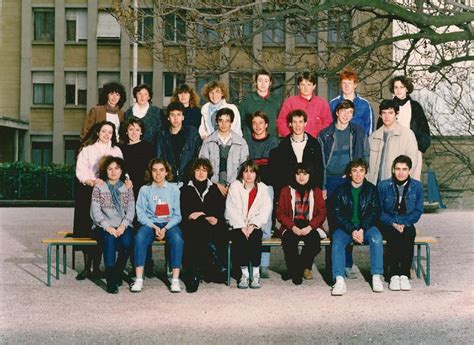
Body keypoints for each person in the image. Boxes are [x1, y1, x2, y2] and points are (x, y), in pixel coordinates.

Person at [318, 99, 369, 279]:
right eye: (343, 111)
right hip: (331, 181)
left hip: (349, 181)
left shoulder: (358, 132)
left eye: (350, 112)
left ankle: (347, 263)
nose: (346, 114)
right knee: (334, 224)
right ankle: (334, 267)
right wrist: (323, 185)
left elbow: (364, 157)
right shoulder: (325, 134)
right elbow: (320, 163)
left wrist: (358, 180)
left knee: (350, 220)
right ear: (337, 112)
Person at [74, 121, 123, 280]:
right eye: (104, 131)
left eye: (110, 132)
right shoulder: (87, 150)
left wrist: (126, 180)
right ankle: (87, 267)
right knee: (86, 228)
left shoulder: (116, 150)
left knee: (104, 227)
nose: (107, 134)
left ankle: (97, 267)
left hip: (109, 192)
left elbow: (123, 169)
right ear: (97, 132)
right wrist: (90, 181)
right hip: (88, 192)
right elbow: (80, 171)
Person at [330, 159, 384, 296]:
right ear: (349, 173)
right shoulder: (340, 190)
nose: (358, 174)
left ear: (365, 173)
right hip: (346, 228)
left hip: (366, 228)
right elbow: (336, 213)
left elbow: (374, 212)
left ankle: (376, 276)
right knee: (337, 241)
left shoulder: (371, 189)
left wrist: (361, 228)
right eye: (355, 171)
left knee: (376, 238)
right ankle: (339, 279)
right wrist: (352, 229)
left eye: (361, 171)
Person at [131, 158, 184, 293]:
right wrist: (154, 227)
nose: (158, 174)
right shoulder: (145, 189)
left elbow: (177, 215)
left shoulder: (174, 189)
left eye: (161, 170)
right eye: (154, 170)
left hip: (169, 224)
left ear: (167, 172)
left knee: (177, 238)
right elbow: (140, 214)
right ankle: (138, 279)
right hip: (151, 223)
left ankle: (175, 280)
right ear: (150, 172)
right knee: (140, 237)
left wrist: (165, 228)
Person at [180, 158, 228, 292]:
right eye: (198, 170)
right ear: (193, 172)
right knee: (198, 226)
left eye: (204, 170)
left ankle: (195, 272)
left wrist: (206, 215)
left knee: (209, 226)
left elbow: (219, 209)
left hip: (211, 225)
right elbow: (185, 211)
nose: (201, 173)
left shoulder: (214, 189)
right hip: (191, 226)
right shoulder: (185, 189)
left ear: (208, 173)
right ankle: (211, 265)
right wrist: (201, 215)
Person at [276, 163, 326, 285]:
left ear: (310, 175)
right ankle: (296, 271)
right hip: (292, 223)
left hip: (310, 224)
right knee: (289, 241)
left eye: (305, 174)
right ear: (294, 175)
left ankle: (301, 267)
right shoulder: (286, 190)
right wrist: (292, 227)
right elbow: (280, 213)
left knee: (314, 243)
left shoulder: (316, 191)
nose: (301, 177)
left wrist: (310, 227)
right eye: (298, 174)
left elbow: (322, 213)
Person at [378, 155, 424, 291]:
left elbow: (418, 210)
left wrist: (404, 223)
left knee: (409, 234)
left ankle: (404, 274)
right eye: (397, 169)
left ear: (409, 170)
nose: (401, 172)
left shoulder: (417, 186)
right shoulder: (383, 185)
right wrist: (393, 223)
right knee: (394, 235)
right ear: (393, 170)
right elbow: (378, 210)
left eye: (404, 169)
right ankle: (393, 274)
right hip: (388, 222)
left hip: (407, 222)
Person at [225, 160, 273, 289]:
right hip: (237, 225)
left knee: (255, 238)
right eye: (246, 171)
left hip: (254, 226)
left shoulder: (263, 189)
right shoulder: (235, 186)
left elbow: (265, 210)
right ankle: (244, 275)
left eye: (252, 171)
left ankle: (255, 274)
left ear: (256, 174)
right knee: (240, 239)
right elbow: (231, 208)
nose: (248, 175)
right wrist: (241, 226)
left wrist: (252, 225)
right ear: (242, 174)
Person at [90, 156, 134, 294]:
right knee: (109, 240)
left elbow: (131, 210)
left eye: (116, 168)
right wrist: (107, 227)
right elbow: (95, 211)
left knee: (127, 242)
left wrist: (122, 226)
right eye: (110, 169)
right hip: (103, 226)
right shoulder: (100, 186)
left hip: (122, 225)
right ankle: (110, 279)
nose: (113, 172)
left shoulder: (126, 187)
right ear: (105, 171)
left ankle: (118, 271)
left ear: (121, 171)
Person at [247, 111, 279, 277]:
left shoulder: (273, 142)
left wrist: (258, 173)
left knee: (265, 224)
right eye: (254, 123)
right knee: (249, 222)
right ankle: (249, 261)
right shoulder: (247, 141)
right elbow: (247, 167)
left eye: (261, 123)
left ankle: (264, 263)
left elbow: (271, 167)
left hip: (266, 186)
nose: (258, 126)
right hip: (249, 185)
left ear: (266, 124)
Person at [381, 75, 431, 180]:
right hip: (392, 149)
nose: (398, 90)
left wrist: (419, 148)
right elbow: (380, 129)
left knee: (412, 181)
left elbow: (424, 129)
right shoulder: (387, 106)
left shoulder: (415, 107)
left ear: (407, 88)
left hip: (412, 150)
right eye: (396, 87)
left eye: (402, 87)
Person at [269, 109, 324, 200]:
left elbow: (319, 170)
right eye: (294, 122)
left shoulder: (314, 144)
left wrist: (317, 191)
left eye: (300, 122)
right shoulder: (282, 146)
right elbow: (279, 173)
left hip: (310, 191)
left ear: (305, 123)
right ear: (290, 124)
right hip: (289, 192)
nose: (298, 125)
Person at [199, 107, 249, 197]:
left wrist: (233, 186)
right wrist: (215, 185)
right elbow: (202, 168)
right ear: (217, 122)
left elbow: (244, 168)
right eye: (221, 120)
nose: (224, 124)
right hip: (212, 188)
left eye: (227, 121)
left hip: (235, 189)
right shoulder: (208, 142)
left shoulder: (241, 143)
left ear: (231, 122)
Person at [368, 99, 418, 185]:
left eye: (390, 113)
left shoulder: (407, 135)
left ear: (396, 114)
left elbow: (412, 162)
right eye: (384, 113)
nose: (387, 116)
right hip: (375, 187)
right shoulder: (373, 137)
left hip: (396, 187)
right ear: (380, 115)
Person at [156, 102, 202, 184]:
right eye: (172, 115)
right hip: (168, 180)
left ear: (183, 117)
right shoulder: (162, 135)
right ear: (168, 118)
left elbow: (198, 156)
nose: (176, 118)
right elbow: (159, 158)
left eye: (178, 115)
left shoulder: (192, 133)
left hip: (188, 180)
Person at [276, 71, 332, 138]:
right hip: (294, 142)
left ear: (314, 86)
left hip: (316, 142)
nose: (306, 88)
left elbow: (328, 123)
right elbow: (281, 121)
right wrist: (290, 137)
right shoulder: (290, 102)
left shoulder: (322, 103)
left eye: (309, 84)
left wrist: (320, 137)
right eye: (303, 85)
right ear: (298, 86)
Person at [239, 69, 282, 140]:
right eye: (260, 81)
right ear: (255, 82)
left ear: (270, 83)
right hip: (251, 142)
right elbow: (240, 123)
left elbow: (281, 122)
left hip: (271, 142)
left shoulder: (277, 101)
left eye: (266, 81)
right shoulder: (247, 101)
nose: (263, 84)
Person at [329, 69, 375, 136]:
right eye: (344, 83)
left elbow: (370, 128)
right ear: (341, 84)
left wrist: (365, 144)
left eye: (350, 83)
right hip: (339, 142)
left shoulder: (364, 104)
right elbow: (329, 125)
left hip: (359, 143)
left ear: (355, 85)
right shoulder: (333, 103)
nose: (346, 86)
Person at [119, 118, 155, 200]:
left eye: (137, 130)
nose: (134, 133)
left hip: (145, 185)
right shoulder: (121, 148)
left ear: (141, 132)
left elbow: (152, 166)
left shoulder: (148, 146)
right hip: (127, 186)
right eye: (131, 129)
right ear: (126, 131)